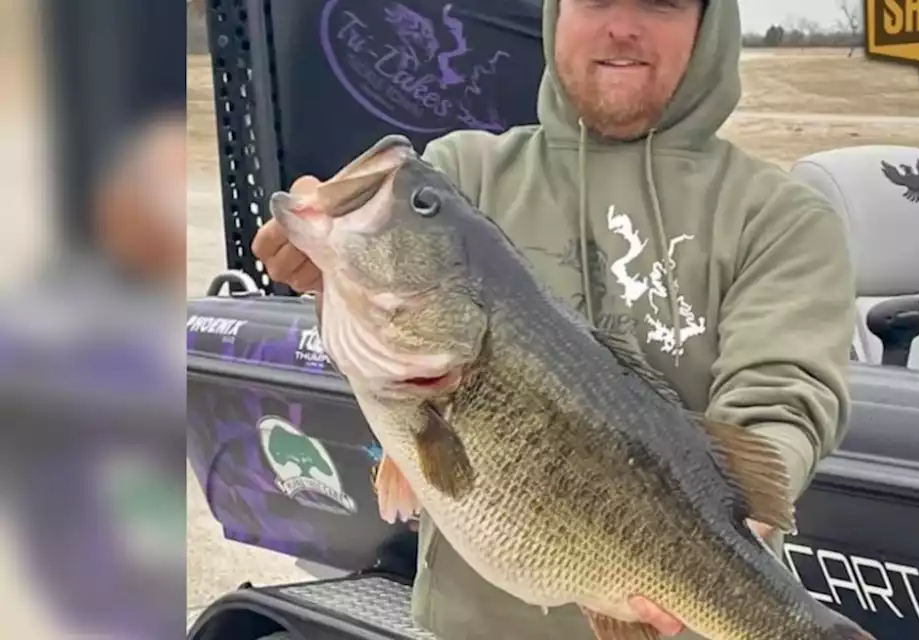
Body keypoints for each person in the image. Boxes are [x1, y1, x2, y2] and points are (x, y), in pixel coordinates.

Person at [252, 0, 858, 637]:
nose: (623, 26)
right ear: (554, 15)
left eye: (660, 3)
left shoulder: (783, 217)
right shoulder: (465, 174)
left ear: (709, 27)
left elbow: (783, 397)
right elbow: (393, 338)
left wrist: (706, 548)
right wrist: (329, 280)